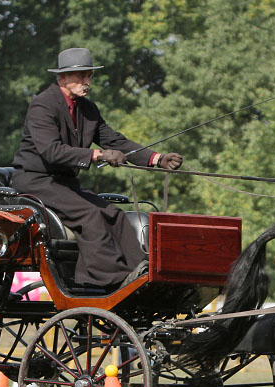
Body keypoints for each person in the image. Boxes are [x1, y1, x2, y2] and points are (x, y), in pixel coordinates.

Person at [11, 47, 183, 289]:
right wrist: (98, 154)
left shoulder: (87, 109)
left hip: (64, 184)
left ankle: (140, 273)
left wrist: (156, 158)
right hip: (35, 181)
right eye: (81, 76)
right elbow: (51, 150)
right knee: (91, 215)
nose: (87, 82)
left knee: (114, 214)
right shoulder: (42, 105)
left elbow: (116, 140)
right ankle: (104, 280)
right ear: (62, 77)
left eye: (89, 76)